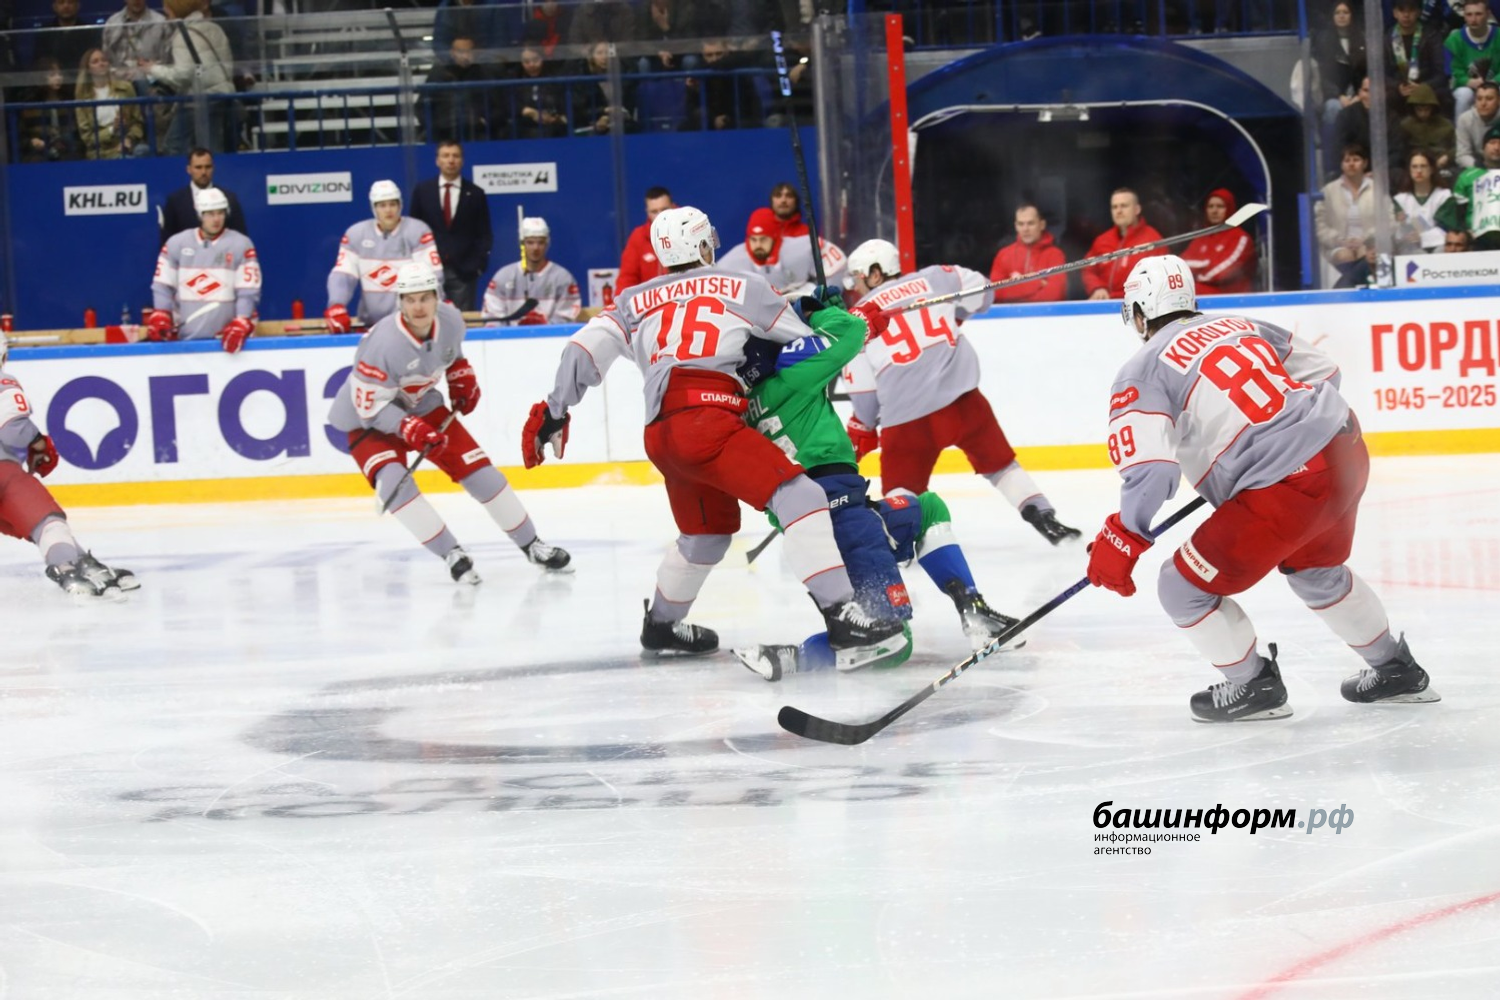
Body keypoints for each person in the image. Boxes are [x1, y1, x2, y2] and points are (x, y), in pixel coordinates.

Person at [523, 206, 907, 668]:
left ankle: (661, 625)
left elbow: (581, 350)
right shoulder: (742, 285)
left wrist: (555, 411)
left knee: (706, 534)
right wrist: (826, 309)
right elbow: (800, 338)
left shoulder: (631, 300)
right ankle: (843, 616)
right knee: (802, 496)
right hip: (709, 420)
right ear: (704, 244)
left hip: (661, 432)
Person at [1086, 254, 1438, 722]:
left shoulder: (1143, 368)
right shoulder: (1242, 324)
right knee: (1316, 571)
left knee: (1179, 586)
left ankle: (1253, 686)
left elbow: (1152, 472)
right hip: (1344, 450)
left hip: (1287, 485)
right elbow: (1326, 374)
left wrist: (1124, 535)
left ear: (1138, 312)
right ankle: (1397, 670)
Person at [731, 303, 1023, 681]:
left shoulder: (740, 413)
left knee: (926, 509)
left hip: (822, 523)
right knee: (892, 642)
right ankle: (791, 657)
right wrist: (816, 311)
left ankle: (974, 612)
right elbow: (850, 332)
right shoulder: (794, 379)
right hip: (848, 522)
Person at [328, 262, 570, 585]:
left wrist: (460, 375)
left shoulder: (451, 319)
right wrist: (409, 428)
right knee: (395, 485)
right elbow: (369, 409)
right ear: (400, 302)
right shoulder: (382, 345)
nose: (418, 307)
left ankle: (533, 545)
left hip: (422, 405)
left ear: (436, 297)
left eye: (424, 298)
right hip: (368, 421)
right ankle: (451, 553)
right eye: (410, 299)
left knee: (482, 474)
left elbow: (451, 353)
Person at [841, 238, 1082, 545]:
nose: (856, 287)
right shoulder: (938, 277)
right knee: (1000, 465)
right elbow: (984, 295)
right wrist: (953, 315)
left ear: (875, 274)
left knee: (901, 489)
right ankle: (1042, 514)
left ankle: (904, 539)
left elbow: (865, 403)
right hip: (963, 402)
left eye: (858, 279)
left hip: (906, 419)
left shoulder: (855, 322)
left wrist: (863, 428)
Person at [0, 331, 139, 598]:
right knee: (47, 524)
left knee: (35, 523)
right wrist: (38, 443)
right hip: (3, 474)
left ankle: (81, 561)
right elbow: (12, 433)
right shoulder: (5, 382)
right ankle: (66, 567)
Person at [147, 187, 259, 351]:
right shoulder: (176, 243)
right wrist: (161, 314)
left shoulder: (241, 244)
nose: (216, 219)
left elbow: (248, 291)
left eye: (220, 213)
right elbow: (162, 285)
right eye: (210, 214)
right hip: (184, 342)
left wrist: (242, 320)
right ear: (200, 214)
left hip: (227, 342)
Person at [325, 180, 444, 332]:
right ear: (374, 208)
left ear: (400, 205)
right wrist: (337, 305)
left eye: (392, 204)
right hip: (369, 325)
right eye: (382, 205)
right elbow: (343, 274)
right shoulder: (356, 234)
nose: (388, 210)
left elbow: (432, 276)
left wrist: (438, 303)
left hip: (409, 326)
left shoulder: (418, 231)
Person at [142, 0, 236, 155]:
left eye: (168, 9)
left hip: (197, 100)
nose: (165, 13)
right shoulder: (215, 28)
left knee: (174, 145)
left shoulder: (183, 36)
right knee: (213, 148)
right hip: (221, 96)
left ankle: (183, 172)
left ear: (177, 9)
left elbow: (183, 75)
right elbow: (227, 63)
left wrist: (153, 69)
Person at [408, 141, 493, 311]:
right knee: (428, 317)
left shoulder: (475, 193)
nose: (451, 160)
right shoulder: (423, 191)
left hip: (464, 271)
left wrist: (476, 266)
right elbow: (413, 230)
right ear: (437, 161)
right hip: (429, 269)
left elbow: (484, 233)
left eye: (455, 156)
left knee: (461, 321)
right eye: (446, 156)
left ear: (462, 160)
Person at [481, 216, 580, 325]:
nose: (535, 248)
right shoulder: (503, 277)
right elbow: (493, 319)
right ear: (522, 244)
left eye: (540, 242)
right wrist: (516, 331)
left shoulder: (563, 278)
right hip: (511, 336)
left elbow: (567, 318)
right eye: (530, 242)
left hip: (550, 336)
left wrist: (544, 326)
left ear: (547, 244)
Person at [1081, 188, 1165, 300]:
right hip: (1105, 305)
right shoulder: (1102, 240)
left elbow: (1160, 280)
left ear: (1137, 209)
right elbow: (1088, 270)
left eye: (1124, 206)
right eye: (1114, 207)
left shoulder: (1153, 240)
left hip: (1139, 306)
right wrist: (1097, 287)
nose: (1118, 211)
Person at [1316, 144, 1381, 286]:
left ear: (1365, 163)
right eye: (1347, 160)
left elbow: (1388, 220)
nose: (1351, 164)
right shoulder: (1328, 191)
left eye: (1356, 160)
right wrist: (1340, 241)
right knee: (1344, 255)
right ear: (1341, 165)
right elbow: (1319, 224)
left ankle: (1356, 287)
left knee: (1366, 253)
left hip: (1369, 244)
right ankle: (1347, 288)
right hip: (1338, 246)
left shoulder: (1377, 188)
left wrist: (1366, 239)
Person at [765, 180, 848, 287]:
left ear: (796, 201)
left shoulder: (806, 234)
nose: (783, 200)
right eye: (778, 195)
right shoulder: (762, 235)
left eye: (789, 196)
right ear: (772, 200)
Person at [422, 36, 501, 143]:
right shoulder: (438, 74)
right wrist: (436, 125)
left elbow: (498, 106)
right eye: (461, 52)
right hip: (444, 132)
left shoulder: (484, 73)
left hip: (477, 132)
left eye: (469, 52)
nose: (465, 56)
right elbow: (422, 106)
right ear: (452, 53)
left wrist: (485, 121)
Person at [159, 148, 248, 243]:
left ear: (213, 168)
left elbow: (240, 238)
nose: (203, 172)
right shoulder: (175, 201)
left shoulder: (229, 198)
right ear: (189, 169)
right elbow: (167, 241)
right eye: (198, 167)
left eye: (208, 167)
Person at [1438, 122, 1500, 249]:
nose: (1497, 147)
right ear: (1483, 148)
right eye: (1492, 142)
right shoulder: (1467, 176)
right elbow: (1459, 213)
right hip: (1477, 242)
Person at [1181, 188, 1255, 295]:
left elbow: (1222, 273)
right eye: (1210, 206)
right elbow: (1183, 265)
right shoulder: (1202, 237)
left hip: (1230, 297)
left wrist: (1199, 274)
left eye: (1220, 206)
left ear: (1229, 208)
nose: (1214, 211)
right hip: (1200, 292)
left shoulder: (1240, 238)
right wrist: (1206, 264)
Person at [1312, 0, 1366, 146]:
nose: (1341, 16)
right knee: (1333, 107)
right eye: (1338, 13)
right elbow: (1322, 75)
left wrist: (1360, 95)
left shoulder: (1362, 38)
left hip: (1359, 94)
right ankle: (1332, 151)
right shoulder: (1323, 41)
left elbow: (1366, 72)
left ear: (1352, 16)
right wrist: (1338, 96)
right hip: (1334, 96)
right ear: (1332, 16)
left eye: (1345, 12)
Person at [988, 202, 1066, 303]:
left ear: (1042, 225)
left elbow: (1055, 295)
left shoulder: (1055, 255)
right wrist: (1038, 283)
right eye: (1021, 224)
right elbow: (995, 293)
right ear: (1016, 226)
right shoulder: (1003, 255)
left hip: (1044, 313)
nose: (1025, 229)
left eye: (1031, 223)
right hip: (1010, 313)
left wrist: (1015, 284)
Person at [1386, 0, 1452, 118]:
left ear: (1418, 12)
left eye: (1411, 10)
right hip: (1399, 89)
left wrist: (1423, 87)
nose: (1406, 15)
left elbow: (1441, 73)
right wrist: (1397, 86)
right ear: (1395, 13)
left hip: (1426, 85)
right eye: (1402, 10)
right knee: (1386, 97)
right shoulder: (1386, 39)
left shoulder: (1432, 35)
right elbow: (1381, 74)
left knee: (1444, 96)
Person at [75, 47, 144, 159]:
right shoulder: (83, 98)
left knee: (143, 151)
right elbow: (87, 138)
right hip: (101, 151)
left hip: (126, 146)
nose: (101, 64)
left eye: (104, 60)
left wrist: (129, 138)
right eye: (95, 62)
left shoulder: (125, 88)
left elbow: (137, 122)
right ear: (88, 69)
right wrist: (112, 129)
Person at [681, 35, 759, 130]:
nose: (714, 59)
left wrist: (728, 119)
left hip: (737, 121)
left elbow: (747, 105)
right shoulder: (697, 77)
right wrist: (713, 120)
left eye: (718, 54)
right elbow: (692, 108)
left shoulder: (736, 67)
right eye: (709, 55)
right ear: (702, 55)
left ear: (726, 52)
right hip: (709, 123)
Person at [17, 56, 82, 162]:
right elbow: (21, 136)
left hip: (66, 153)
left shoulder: (69, 102)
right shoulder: (30, 106)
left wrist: (65, 142)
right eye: (52, 75)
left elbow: (76, 134)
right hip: (39, 155)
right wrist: (31, 142)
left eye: (60, 74)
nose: (58, 78)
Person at [102, 0, 171, 95]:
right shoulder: (112, 23)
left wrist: (151, 69)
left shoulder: (161, 23)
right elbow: (106, 58)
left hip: (153, 85)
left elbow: (168, 60)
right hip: (120, 85)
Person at [1445, 0, 1500, 119]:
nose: (1473, 19)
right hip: (1466, 87)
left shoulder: (1498, 36)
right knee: (1465, 95)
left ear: (1488, 14)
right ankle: (1461, 129)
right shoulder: (1454, 40)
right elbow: (1452, 72)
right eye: (1469, 14)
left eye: (1478, 14)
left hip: (1496, 84)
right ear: (1464, 16)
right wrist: (1467, 81)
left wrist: (1495, 81)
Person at [615, 185, 673, 293]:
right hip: (652, 301)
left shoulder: (687, 229)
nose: (660, 216)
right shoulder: (639, 237)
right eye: (654, 211)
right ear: (647, 212)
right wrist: (622, 301)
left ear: (672, 207)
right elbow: (627, 278)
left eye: (664, 210)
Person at [1393, 147, 1453, 252]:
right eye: (1414, 167)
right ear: (1409, 170)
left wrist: (1424, 237)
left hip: (1438, 247)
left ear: (1432, 169)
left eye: (1423, 166)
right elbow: (1398, 232)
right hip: (1410, 249)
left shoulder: (1444, 196)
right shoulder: (1400, 199)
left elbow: (1447, 229)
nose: (1419, 171)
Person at [30, 0, 100, 81]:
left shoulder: (89, 31)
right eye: (61, 2)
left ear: (78, 6)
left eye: (70, 2)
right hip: (52, 83)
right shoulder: (45, 32)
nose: (66, 6)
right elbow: (38, 63)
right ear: (54, 7)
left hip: (82, 81)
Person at [513, 44, 569, 139]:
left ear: (542, 58)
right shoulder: (515, 79)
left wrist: (557, 118)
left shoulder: (554, 78)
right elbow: (509, 103)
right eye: (526, 61)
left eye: (535, 60)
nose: (531, 64)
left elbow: (562, 103)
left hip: (553, 129)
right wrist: (529, 112)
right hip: (525, 129)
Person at [1396, 83, 1455, 167]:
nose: (1423, 114)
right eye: (1419, 110)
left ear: (1433, 108)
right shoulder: (1405, 126)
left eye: (1427, 109)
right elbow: (1400, 151)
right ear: (1413, 108)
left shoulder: (1446, 125)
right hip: (1414, 165)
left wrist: (1447, 156)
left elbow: (1457, 146)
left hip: (1441, 163)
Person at [1456, 80, 1500, 168]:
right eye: (1479, 99)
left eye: (1489, 99)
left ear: (1499, 101)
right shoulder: (1465, 119)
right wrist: (1480, 168)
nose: (1483, 103)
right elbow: (1462, 155)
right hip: (1476, 166)